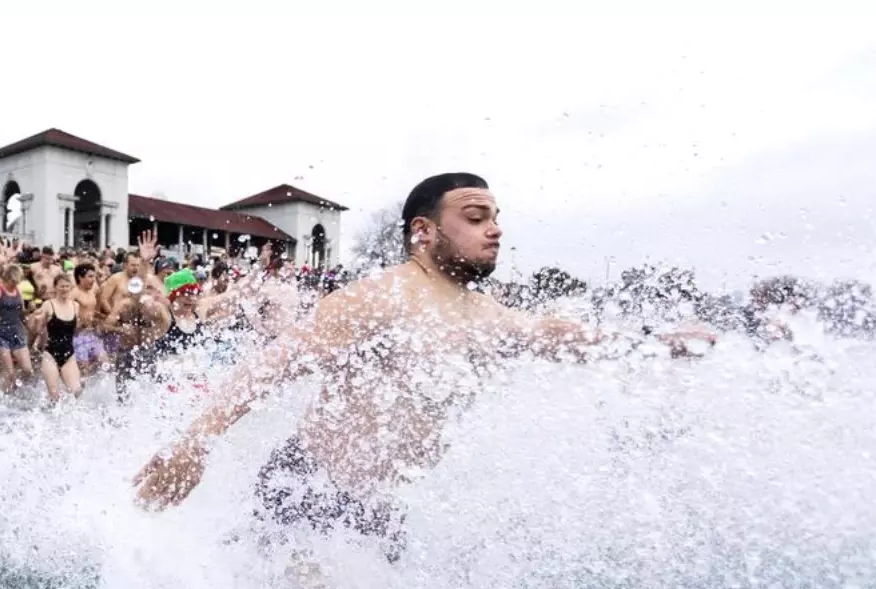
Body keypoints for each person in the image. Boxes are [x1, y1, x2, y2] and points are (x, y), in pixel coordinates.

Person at [133, 173, 716, 562]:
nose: (495, 228)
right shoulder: (379, 297)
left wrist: (653, 340)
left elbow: (556, 334)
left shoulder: (482, 311)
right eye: (475, 216)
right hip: (309, 490)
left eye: (496, 216)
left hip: (376, 508)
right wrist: (194, 444)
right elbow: (271, 367)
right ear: (423, 231)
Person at [29, 273, 83, 400]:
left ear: (71, 288)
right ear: (55, 288)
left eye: (67, 286)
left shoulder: (75, 306)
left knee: (77, 391)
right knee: (54, 395)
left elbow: (74, 331)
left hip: (69, 354)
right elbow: (36, 329)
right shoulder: (48, 304)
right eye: (61, 286)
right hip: (50, 354)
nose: (64, 289)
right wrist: (36, 320)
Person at [0, 263, 34, 392]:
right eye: (13, 281)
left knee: (28, 370)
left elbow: (21, 313)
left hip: (16, 332)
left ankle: (17, 389)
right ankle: (5, 397)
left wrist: (30, 323)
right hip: (0, 334)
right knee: (10, 373)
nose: (15, 284)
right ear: (7, 278)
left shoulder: (19, 290)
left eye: (17, 281)